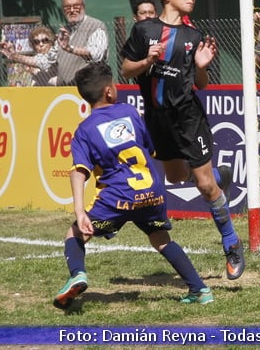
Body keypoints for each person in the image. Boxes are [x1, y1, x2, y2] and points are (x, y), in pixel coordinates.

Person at [119, 0, 244, 280]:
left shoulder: (193, 34)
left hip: (189, 118)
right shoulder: (144, 30)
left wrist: (201, 65)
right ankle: (219, 176)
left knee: (203, 185)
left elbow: (200, 83)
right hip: (158, 120)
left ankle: (231, 242)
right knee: (175, 178)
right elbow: (126, 70)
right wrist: (147, 59)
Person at [53, 62, 213, 310]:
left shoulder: (84, 130)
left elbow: (79, 172)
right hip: (151, 193)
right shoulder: (129, 113)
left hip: (117, 198)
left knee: (75, 233)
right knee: (160, 239)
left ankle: (78, 274)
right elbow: (148, 148)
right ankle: (199, 289)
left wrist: (80, 211)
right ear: (109, 91)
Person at [55, 0, 108, 86]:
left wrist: (69, 48)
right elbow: (49, 58)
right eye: (67, 7)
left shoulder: (96, 26)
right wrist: (18, 56)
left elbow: (95, 54)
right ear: (63, 10)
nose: (71, 10)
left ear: (83, 6)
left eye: (76, 6)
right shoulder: (63, 31)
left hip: (89, 89)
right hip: (64, 91)